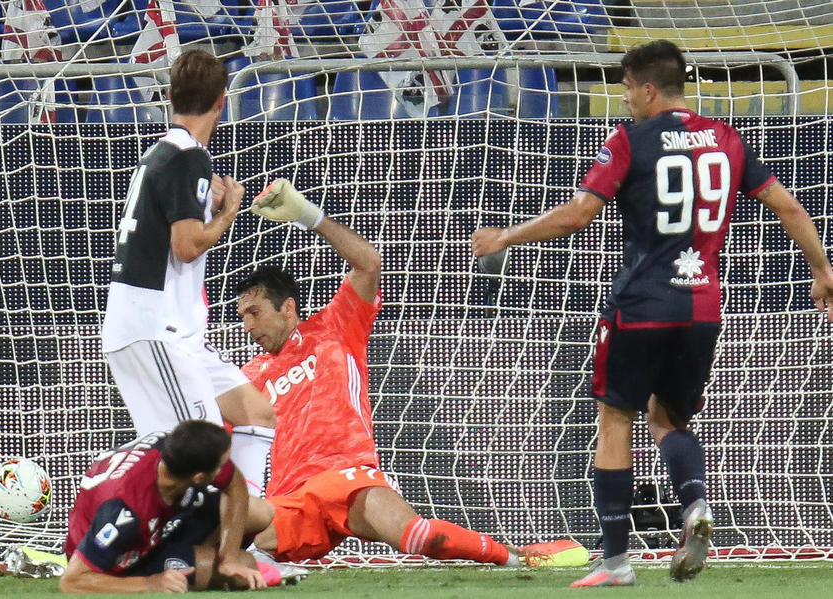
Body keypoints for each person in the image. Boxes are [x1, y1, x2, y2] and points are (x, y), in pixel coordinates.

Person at [471, 39, 833, 587]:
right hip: (704, 308)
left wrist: (506, 236)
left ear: (647, 88)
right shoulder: (727, 140)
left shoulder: (629, 141)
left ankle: (616, 561)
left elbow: (578, 213)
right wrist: (823, 270)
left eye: (625, 90)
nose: (624, 102)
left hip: (640, 306)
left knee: (615, 421)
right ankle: (694, 506)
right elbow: (786, 204)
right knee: (668, 419)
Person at [233, 179, 590, 568]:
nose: (247, 326)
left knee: (419, 535)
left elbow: (368, 262)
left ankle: (520, 559)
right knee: (228, 540)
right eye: (241, 317)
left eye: (254, 313)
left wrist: (307, 215)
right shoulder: (247, 375)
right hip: (289, 497)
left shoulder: (334, 326)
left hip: (348, 475)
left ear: (286, 308)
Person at [100, 49, 275, 497]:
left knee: (255, 411)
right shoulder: (187, 156)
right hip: (156, 329)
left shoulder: (164, 153)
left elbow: (172, 234)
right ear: (221, 102)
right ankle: (115, 530)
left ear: (171, 96)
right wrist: (230, 211)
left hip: (171, 332)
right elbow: (187, 243)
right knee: (201, 457)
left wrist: (209, 207)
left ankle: (246, 542)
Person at [60, 420, 266, 593]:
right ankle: (191, 559)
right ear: (199, 477)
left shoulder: (178, 452)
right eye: (221, 465)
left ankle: (201, 557)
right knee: (246, 566)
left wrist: (228, 558)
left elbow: (235, 483)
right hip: (116, 554)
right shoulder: (124, 509)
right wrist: (152, 583)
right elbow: (72, 581)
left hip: (161, 522)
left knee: (261, 514)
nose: (225, 469)